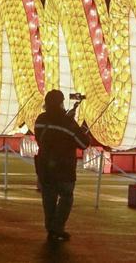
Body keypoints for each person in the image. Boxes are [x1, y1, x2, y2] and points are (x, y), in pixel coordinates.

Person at [34, 90, 89, 241]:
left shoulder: (40, 119)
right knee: (66, 197)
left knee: (48, 198)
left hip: (45, 166)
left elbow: (39, 138)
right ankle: (57, 227)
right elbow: (83, 143)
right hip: (64, 168)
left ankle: (51, 228)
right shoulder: (67, 123)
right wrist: (73, 123)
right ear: (60, 103)